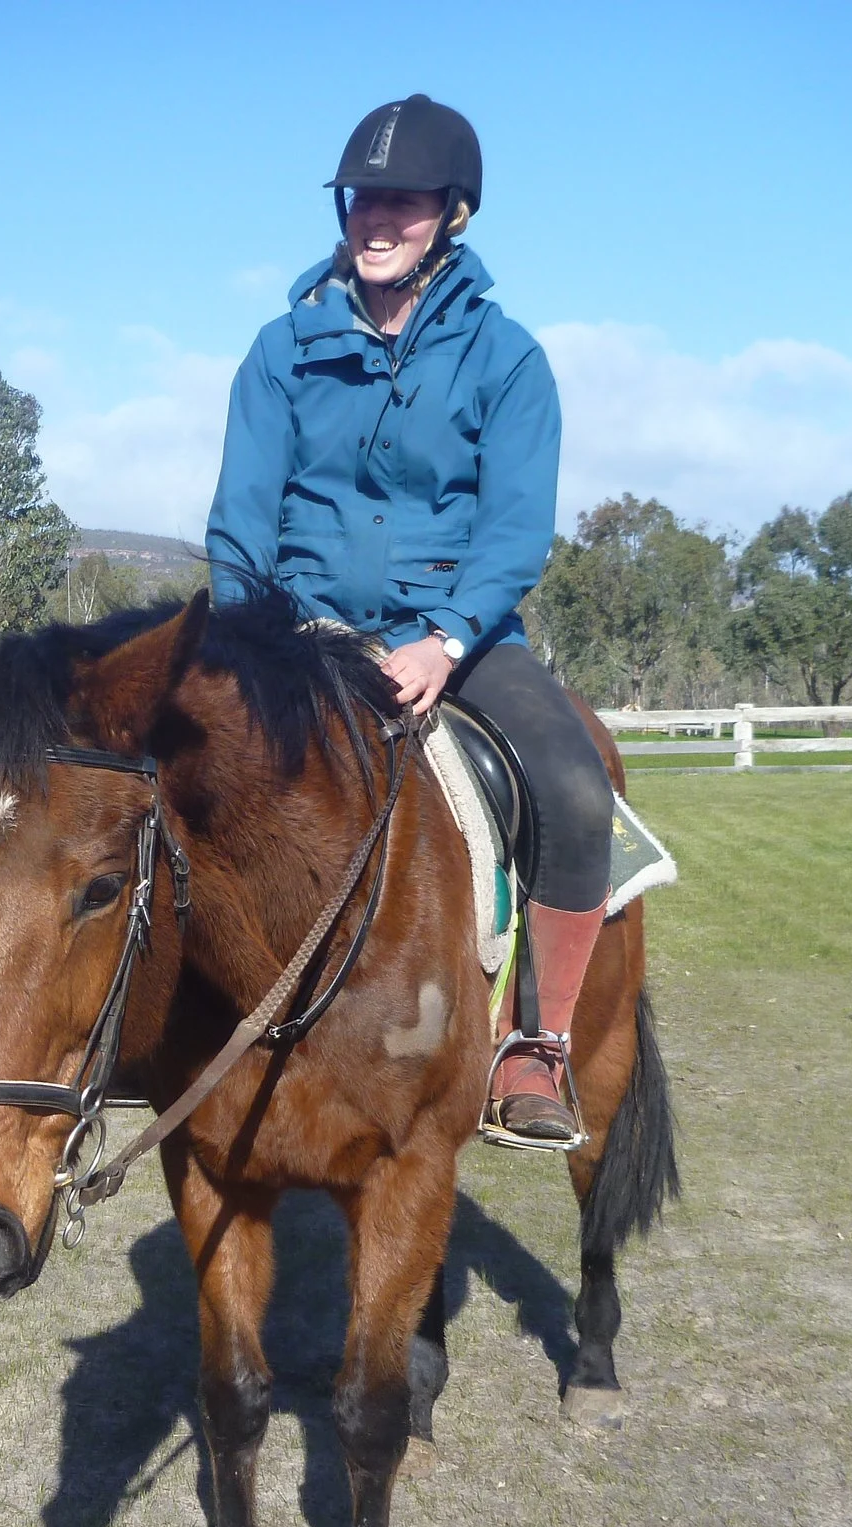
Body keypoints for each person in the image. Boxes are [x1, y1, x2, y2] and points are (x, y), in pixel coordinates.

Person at [205, 94, 611, 1147]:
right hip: (299, 634)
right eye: (361, 199)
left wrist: (445, 635)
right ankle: (175, 1023)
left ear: (451, 214)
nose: (375, 219)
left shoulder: (507, 360)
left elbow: (517, 529)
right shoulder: (278, 353)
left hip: (455, 637)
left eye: (403, 200)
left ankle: (539, 1047)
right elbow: (241, 520)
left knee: (571, 787)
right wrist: (250, 647)